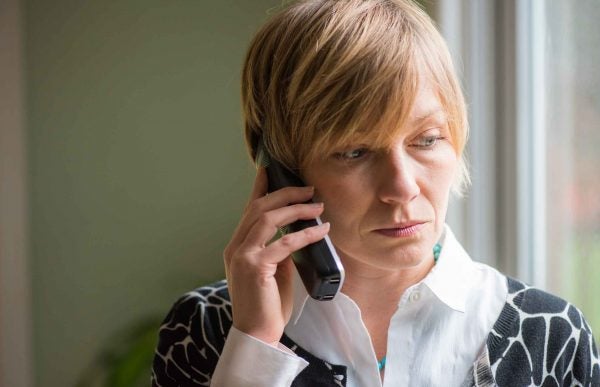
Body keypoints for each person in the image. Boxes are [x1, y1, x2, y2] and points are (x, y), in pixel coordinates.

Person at [151, 0, 600, 386]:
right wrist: (253, 348)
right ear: (279, 170)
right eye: (354, 151)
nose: (402, 188)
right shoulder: (206, 328)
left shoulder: (552, 336)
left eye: (426, 139)